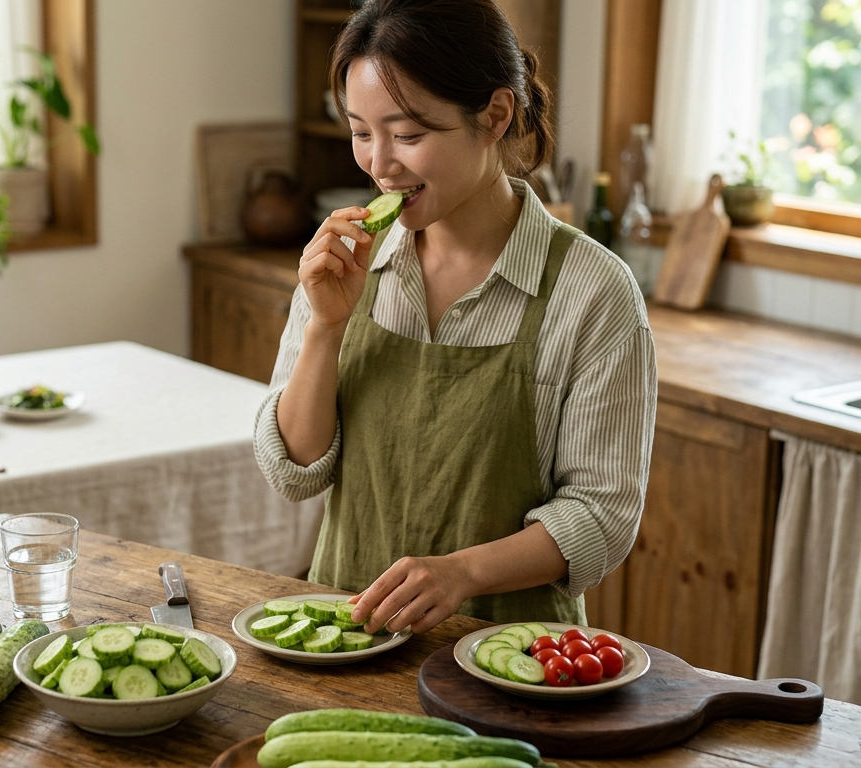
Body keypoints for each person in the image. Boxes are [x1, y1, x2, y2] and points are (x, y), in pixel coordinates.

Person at [254, 0, 657, 635]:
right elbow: (293, 470)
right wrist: (325, 329)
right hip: (343, 636)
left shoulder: (593, 291)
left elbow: (601, 516)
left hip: (511, 661)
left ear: (495, 116)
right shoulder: (343, 261)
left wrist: (461, 573)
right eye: (362, 132)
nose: (379, 164)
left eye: (408, 135)